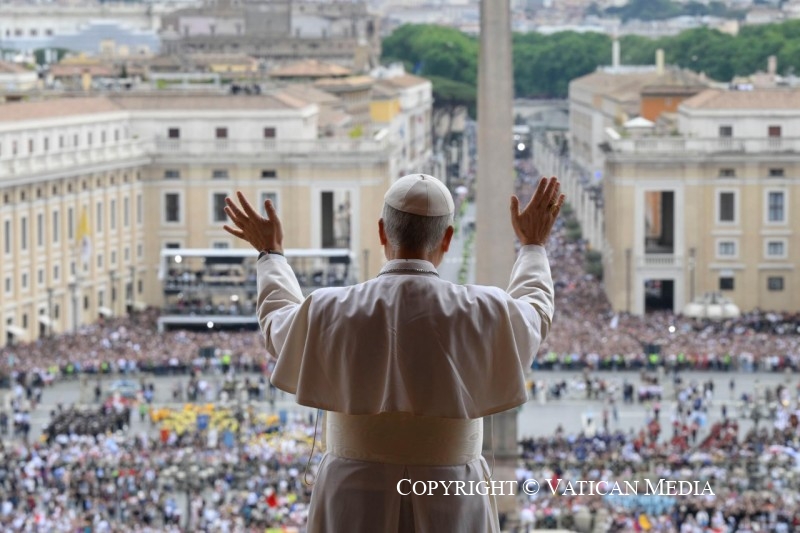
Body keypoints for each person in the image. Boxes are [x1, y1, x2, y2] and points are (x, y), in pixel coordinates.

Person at [223, 174, 565, 532]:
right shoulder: (484, 308)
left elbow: (278, 322)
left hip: (351, 495)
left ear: (382, 232)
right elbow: (536, 313)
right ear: (447, 239)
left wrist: (271, 255)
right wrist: (533, 246)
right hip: (452, 494)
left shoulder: (330, 307)